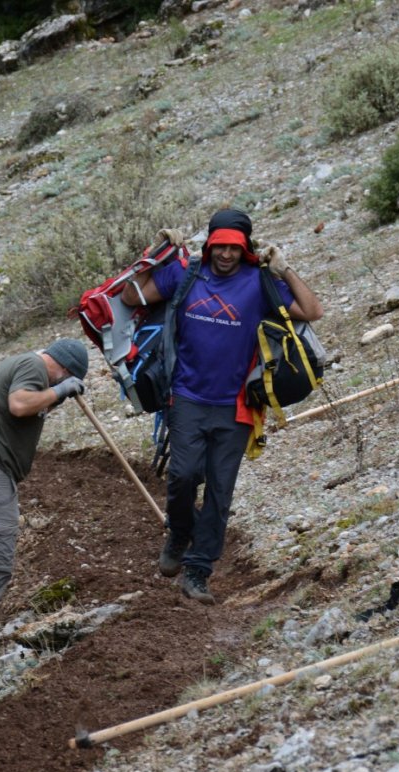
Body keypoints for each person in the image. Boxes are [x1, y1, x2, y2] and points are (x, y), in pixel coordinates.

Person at [122, 209, 322, 604]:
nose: (226, 254)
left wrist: (285, 269)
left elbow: (312, 311)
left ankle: (198, 571)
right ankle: (180, 532)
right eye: (220, 246)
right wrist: (158, 251)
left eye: (234, 247)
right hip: (186, 398)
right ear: (209, 245)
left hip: (237, 407)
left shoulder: (259, 282)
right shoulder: (187, 274)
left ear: (244, 248)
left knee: (219, 491)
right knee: (181, 475)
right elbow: (131, 295)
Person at [0, 338, 89, 661]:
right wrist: (60, 390)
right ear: (65, 369)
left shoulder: (22, 364)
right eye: (65, 378)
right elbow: (19, 404)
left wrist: (55, 398)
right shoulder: (34, 366)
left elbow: (24, 407)